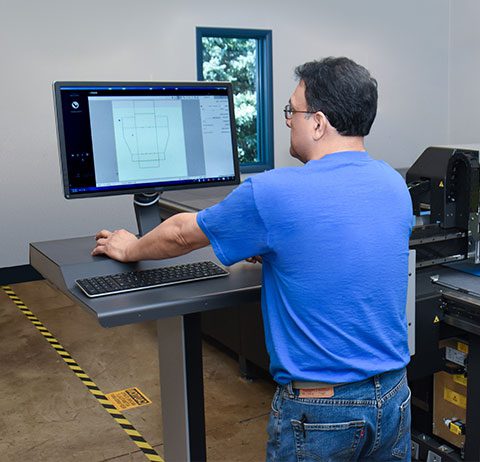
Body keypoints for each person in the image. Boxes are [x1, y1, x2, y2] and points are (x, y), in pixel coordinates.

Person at [93, 57, 413, 461]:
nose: (286, 121)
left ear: (317, 123)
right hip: (394, 395)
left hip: (322, 410)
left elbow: (179, 235)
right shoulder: (394, 184)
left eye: (291, 111)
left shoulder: (274, 192)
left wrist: (129, 247)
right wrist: (283, 251)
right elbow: (345, 247)